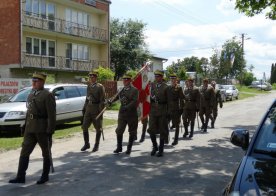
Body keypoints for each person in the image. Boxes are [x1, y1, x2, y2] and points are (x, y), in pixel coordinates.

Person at [9, 72, 56, 184]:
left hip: (42, 128)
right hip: (30, 128)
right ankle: (20, 176)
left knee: (46, 152)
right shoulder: (31, 94)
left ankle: (45, 176)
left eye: (36, 81)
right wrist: (25, 125)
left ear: (42, 82)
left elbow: (52, 115)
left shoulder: (47, 95)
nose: (34, 83)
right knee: (24, 151)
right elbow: (29, 111)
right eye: (33, 81)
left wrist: (50, 130)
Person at [110, 73, 139, 155]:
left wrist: (127, 107)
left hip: (131, 114)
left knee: (132, 131)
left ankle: (129, 148)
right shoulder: (120, 90)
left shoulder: (134, 90)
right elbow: (115, 98)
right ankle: (119, 147)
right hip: (122, 113)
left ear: (130, 80)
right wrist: (109, 101)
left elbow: (134, 101)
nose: (125, 81)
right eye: (124, 79)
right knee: (119, 130)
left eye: (127, 79)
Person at [80, 70, 106, 152]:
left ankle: (96, 145)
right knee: (84, 126)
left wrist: (100, 110)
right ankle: (86, 144)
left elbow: (102, 100)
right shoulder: (89, 86)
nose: (91, 78)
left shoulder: (100, 87)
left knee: (98, 128)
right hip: (88, 108)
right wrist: (84, 108)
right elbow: (87, 98)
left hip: (96, 108)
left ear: (96, 77)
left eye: (93, 76)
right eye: (90, 76)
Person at [148, 70, 169, 157]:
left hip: (162, 110)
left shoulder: (166, 87)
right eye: (156, 76)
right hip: (153, 110)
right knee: (151, 129)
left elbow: (169, 100)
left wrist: (169, 112)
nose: (157, 78)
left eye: (159, 76)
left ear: (162, 77)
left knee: (162, 130)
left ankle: (161, 149)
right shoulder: (151, 85)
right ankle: (155, 146)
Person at [167, 73, 184, 145]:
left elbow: (182, 98)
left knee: (176, 124)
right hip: (168, 109)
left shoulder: (179, 88)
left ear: (176, 80)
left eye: (174, 79)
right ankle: (166, 138)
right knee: (165, 124)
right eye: (171, 79)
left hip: (176, 108)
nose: (172, 80)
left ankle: (176, 139)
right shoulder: (168, 87)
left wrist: (181, 108)